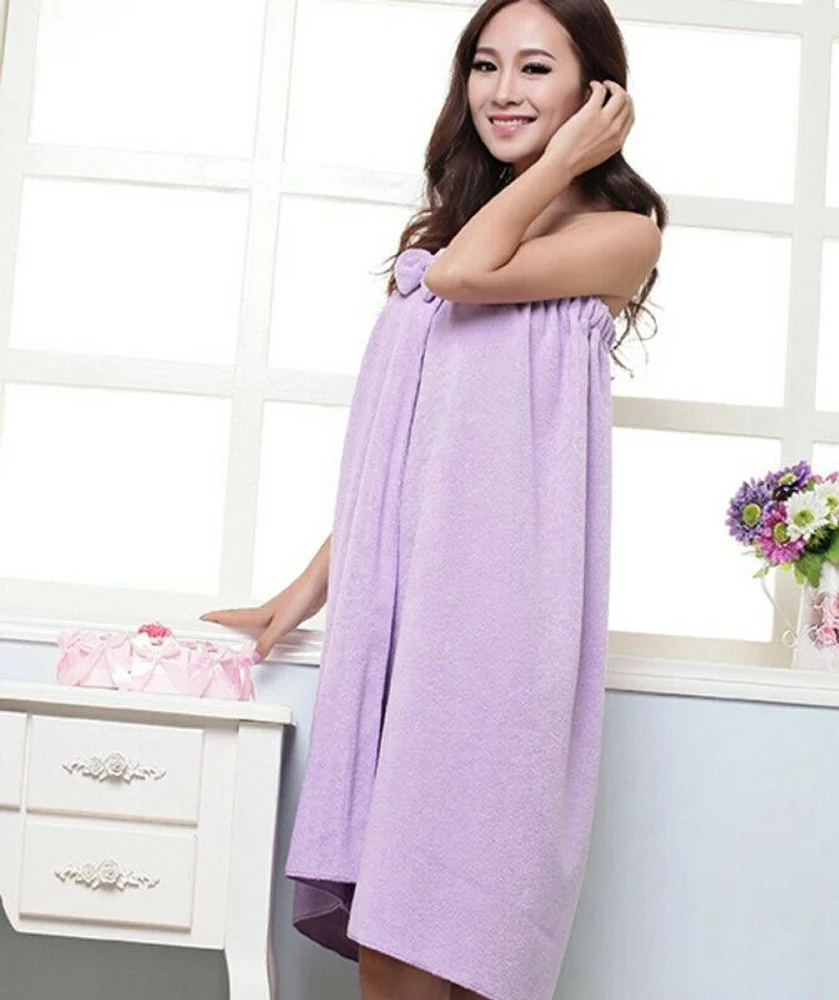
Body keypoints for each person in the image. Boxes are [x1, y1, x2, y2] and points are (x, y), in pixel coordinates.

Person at [201, 1, 666, 997]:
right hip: (404, 621)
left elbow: (463, 276)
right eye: (484, 66)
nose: (502, 92)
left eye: (535, 68)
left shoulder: (622, 235)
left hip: (497, 626)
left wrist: (559, 160)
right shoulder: (455, 237)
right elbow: (408, 451)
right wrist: (306, 589)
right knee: (390, 936)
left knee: (447, 927)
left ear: (597, 92)